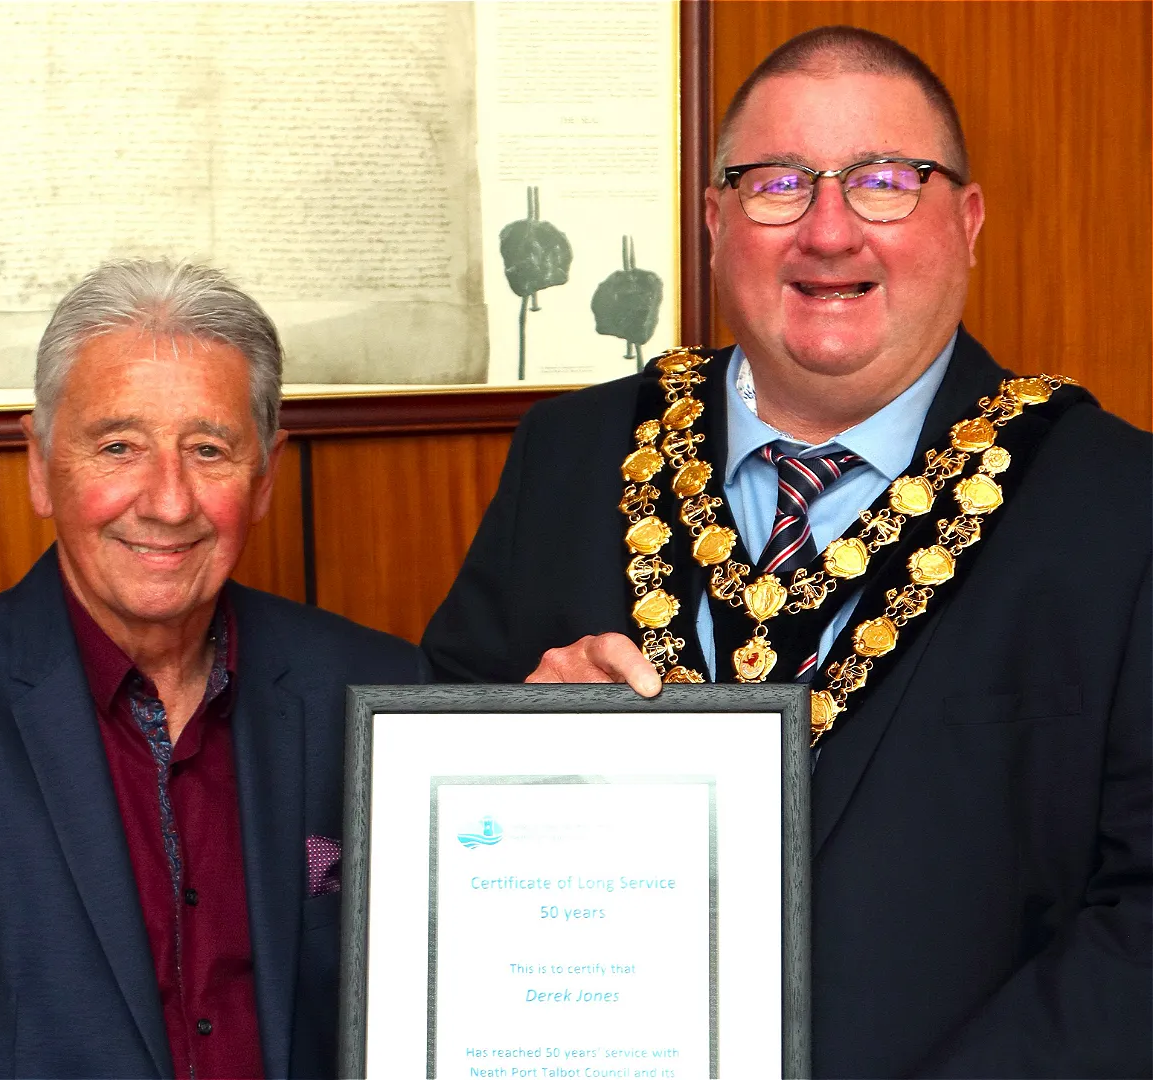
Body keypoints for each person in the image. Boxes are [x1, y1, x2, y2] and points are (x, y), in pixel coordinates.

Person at [423, 26, 1150, 1079]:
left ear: (966, 221)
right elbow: (431, 803)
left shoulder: (1117, 506)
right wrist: (515, 741)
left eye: (885, 182)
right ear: (716, 224)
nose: (828, 232)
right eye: (776, 184)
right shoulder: (572, 454)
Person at [0, 260, 427, 1079]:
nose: (168, 502)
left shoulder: (380, 690)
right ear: (40, 465)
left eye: (209, 451)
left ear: (263, 477)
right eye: (118, 447)